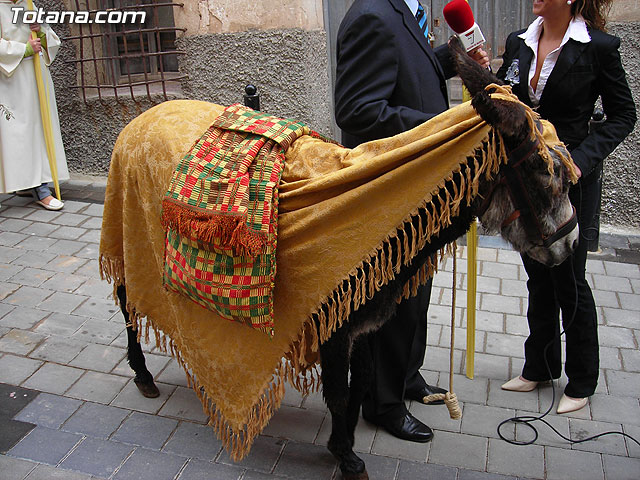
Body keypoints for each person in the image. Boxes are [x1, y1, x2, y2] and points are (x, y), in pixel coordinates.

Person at [334, 0, 489, 442]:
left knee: (416, 292)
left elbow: (408, 69)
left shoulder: (406, 9)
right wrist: (443, 128)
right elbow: (357, 109)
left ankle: (406, 378)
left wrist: (454, 58)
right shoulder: (372, 14)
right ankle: (382, 403)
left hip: (417, 187)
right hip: (390, 190)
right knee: (395, 301)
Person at [497, 0, 636, 414]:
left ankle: (582, 379)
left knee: (570, 281)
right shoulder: (519, 42)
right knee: (537, 274)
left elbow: (623, 115)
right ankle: (538, 367)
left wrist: (582, 159)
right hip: (527, 183)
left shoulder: (598, 48)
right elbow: (506, 98)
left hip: (571, 182)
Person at [0, 0, 69, 210]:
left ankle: (37, 183)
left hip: (37, 76)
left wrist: (40, 33)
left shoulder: (28, 4)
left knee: (41, 128)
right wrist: (24, 49)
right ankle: (36, 186)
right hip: (11, 80)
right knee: (17, 133)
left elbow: (50, 39)